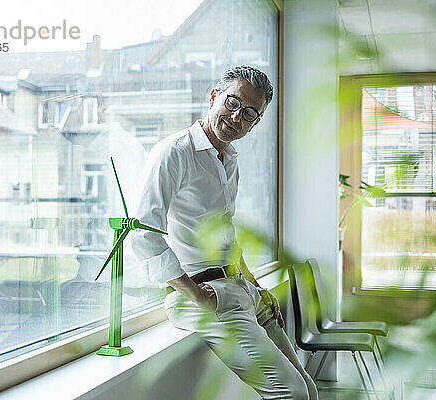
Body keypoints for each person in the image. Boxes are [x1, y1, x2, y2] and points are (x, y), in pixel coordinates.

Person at [130, 66, 318, 400]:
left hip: (239, 288)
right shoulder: (174, 152)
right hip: (206, 297)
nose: (236, 117)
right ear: (214, 96)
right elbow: (143, 234)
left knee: (309, 389)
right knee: (292, 394)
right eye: (232, 102)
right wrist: (197, 295)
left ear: (254, 123)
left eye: (249, 114)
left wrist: (257, 287)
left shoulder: (229, 160)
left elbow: (226, 235)